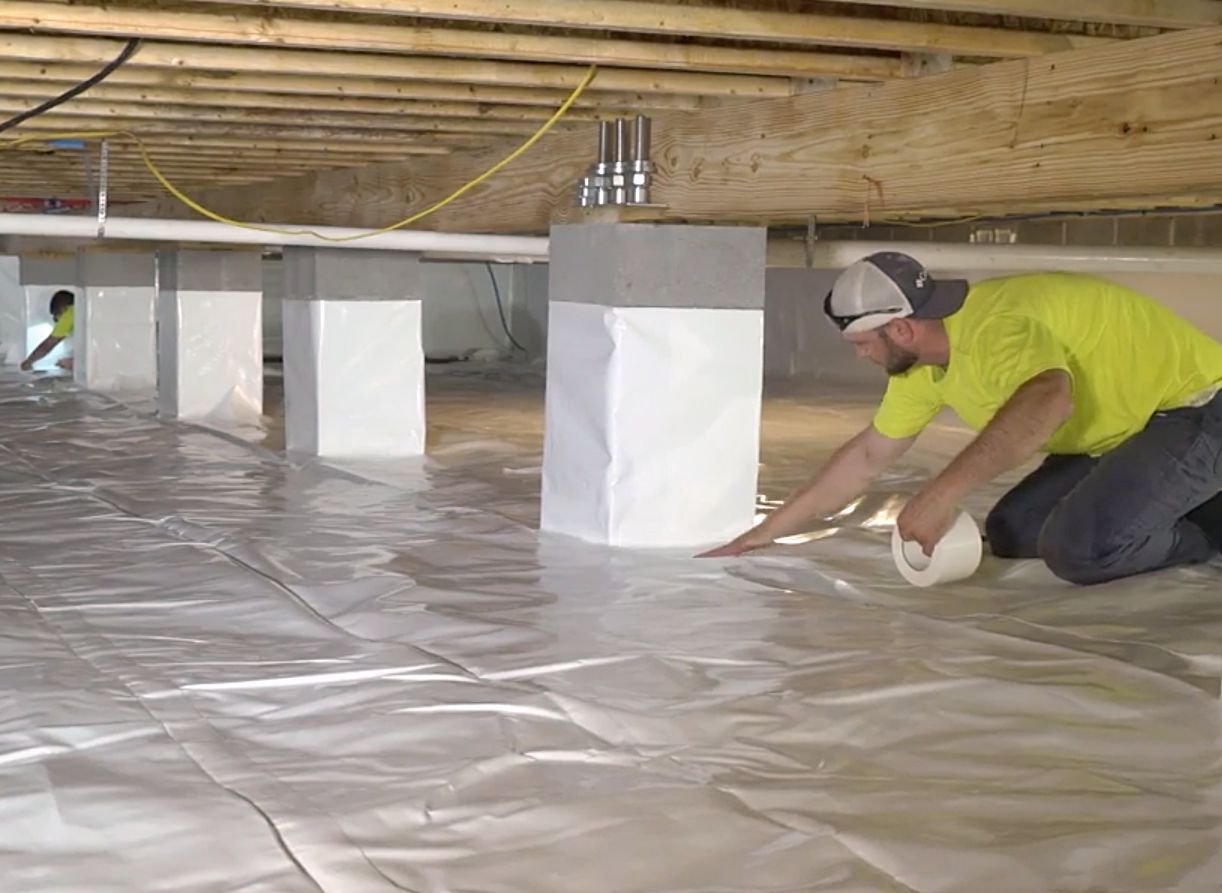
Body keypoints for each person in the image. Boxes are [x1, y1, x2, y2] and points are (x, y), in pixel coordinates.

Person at [705, 252, 1222, 585]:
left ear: (902, 330)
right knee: (1013, 531)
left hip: (1197, 408)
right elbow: (867, 456)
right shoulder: (922, 367)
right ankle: (1159, 497)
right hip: (1124, 432)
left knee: (1078, 549)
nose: (859, 356)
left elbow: (1047, 400)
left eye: (863, 344)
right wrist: (762, 534)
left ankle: (1208, 525)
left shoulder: (996, 326)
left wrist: (940, 493)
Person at [20, 290, 75, 372]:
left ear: (62, 308)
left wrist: (28, 362)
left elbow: (48, 344)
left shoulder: (69, 313)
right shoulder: (81, 312)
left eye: (56, 315)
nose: (57, 321)